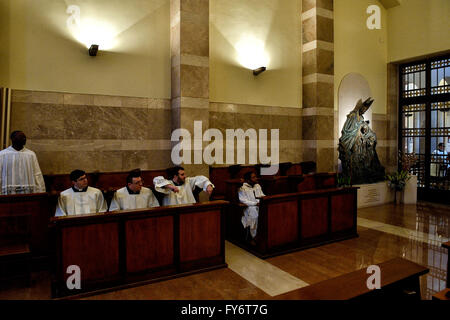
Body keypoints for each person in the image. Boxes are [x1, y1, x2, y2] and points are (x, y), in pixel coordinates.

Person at [0, 130, 46, 195]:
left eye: (24, 137)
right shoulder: (2, 155)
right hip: (8, 195)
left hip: (27, 193)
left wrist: (41, 192)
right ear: (13, 139)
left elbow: (37, 174)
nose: (24, 139)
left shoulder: (31, 154)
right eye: (21, 137)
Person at [238, 171, 265, 243]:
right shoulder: (242, 188)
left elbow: (262, 195)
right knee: (254, 213)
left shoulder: (257, 186)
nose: (256, 178)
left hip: (259, 205)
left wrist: (262, 202)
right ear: (248, 180)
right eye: (253, 177)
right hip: (248, 207)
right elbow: (243, 200)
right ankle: (254, 237)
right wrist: (255, 203)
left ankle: (263, 235)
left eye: (255, 177)